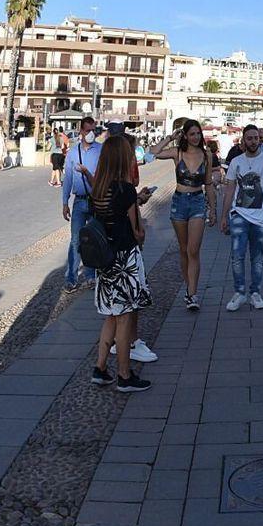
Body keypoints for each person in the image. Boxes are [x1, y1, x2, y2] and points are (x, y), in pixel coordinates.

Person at [89, 133, 152, 393]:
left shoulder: (98, 189)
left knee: (112, 317)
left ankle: (100, 369)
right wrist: (137, 204)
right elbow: (138, 233)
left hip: (105, 261)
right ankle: (125, 376)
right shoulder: (126, 189)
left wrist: (134, 202)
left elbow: (109, 216)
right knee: (125, 318)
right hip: (125, 260)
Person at [151, 120, 215, 312]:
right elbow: (154, 152)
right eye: (192, 134)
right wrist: (171, 137)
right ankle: (188, 287)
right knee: (183, 248)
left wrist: (213, 209)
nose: (196, 137)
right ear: (185, 135)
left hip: (197, 201)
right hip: (179, 202)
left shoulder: (206, 155)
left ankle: (192, 293)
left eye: (198, 133)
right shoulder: (177, 152)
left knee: (193, 250)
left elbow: (209, 183)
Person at [218, 124, 263, 311]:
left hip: (260, 219)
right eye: (250, 138)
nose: (254, 141)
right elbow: (229, 191)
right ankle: (239, 293)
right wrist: (224, 216)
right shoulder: (236, 162)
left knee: (257, 258)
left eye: (256, 138)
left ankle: (255, 293)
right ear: (243, 141)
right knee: (237, 257)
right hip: (239, 215)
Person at [62, 116, 103, 292]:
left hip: (96, 201)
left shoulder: (100, 150)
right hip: (79, 201)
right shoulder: (72, 153)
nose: (90, 134)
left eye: (93, 130)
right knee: (76, 241)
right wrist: (64, 203)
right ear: (81, 131)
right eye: (87, 130)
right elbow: (68, 179)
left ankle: (91, 276)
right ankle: (71, 279)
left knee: (93, 240)